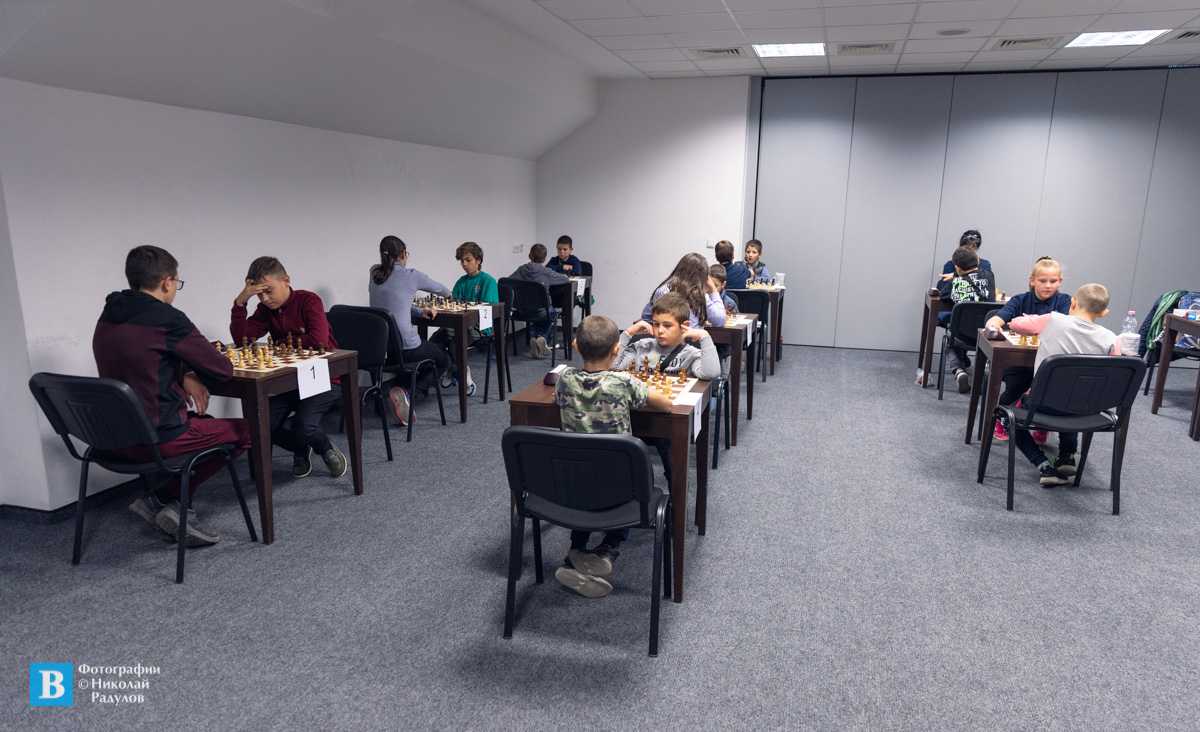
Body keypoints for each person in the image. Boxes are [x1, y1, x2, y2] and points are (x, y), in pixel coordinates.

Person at [94, 245, 251, 546]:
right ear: (166, 282)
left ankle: (167, 503)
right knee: (247, 430)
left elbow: (143, 361)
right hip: (157, 438)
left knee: (209, 421)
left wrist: (184, 373)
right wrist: (191, 371)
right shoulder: (166, 318)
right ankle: (167, 499)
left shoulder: (109, 314)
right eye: (177, 282)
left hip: (112, 438)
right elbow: (222, 370)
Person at [551, 315, 672, 598]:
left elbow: (557, 400)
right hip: (621, 486)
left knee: (584, 490)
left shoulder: (565, 379)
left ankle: (575, 554)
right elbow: (666, 405)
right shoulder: (623, 381)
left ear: (576, 346)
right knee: (637, 479)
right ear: (616, 350)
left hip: (572, 483)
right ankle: (608, 549)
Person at [231, 256, 346, 480]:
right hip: (289, 381)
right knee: (261, 425)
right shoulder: (265, 310)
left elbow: (318, 339)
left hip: (324, 377)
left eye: (269, 291)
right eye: (259, 295)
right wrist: (241, 302)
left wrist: (282, 342)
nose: (265, 299)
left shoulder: (309, 300)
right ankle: (299, 447)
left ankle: (324, 447)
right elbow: (241, 339)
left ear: (285, 280)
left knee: (303, 426)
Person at [1007, 283, 1121, 486]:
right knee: (1074, 399)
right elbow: (1114, 374)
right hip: (1085, 409)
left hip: (1042, 404)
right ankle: (1067, 456)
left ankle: (1042, 464)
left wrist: (1030, 319)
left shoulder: (1053, 320)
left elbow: (1015, 325)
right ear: (1103, 313)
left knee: (1007, 418)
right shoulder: (1112, 339)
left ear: (1073, 303)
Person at [984, 256, 1072, 442]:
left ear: (1060, 281)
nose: (1048, 285)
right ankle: (1001, 418)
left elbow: (1066, 326)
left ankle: (1043, 425)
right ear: (1032, 280)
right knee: (1017, 384)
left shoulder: (1065, 301)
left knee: (1054, 388)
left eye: (1053, 281)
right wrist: (994, 323)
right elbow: (996, 320)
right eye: (1042, 281)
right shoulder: (1020, 300)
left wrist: (1029, 323)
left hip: (1049, 361)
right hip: (1018, 361)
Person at [367, 235, 450, 425]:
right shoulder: (411, 275)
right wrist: (450, 294)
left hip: (378, 351)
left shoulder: (374, 272)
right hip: (404, 349)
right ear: (404, 254)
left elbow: (390, 305)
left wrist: (418, 312)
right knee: (443, 359)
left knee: (421, 354)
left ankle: (393, 391)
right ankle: (406, 392)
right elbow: (442, 290)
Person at [430, 241, 498, 394]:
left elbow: (488, 311)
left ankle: (458, 374)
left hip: (480, 326)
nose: (464, 264)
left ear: (478, 260)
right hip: (459, 323)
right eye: (462, 261)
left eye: (468, 260)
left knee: (455, 343)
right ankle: (456, 370)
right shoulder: (461, 281)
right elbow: (454, 304)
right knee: (433, 342)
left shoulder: (488, 281)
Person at [937, 245, 996, 393]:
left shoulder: (954, 284)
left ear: (957, 268)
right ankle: (981, 376)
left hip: (962, 335)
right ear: (978, 262)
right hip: (986, 335)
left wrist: (955, 278)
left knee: (950, 340)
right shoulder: (989, 276)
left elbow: (943, 295)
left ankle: (958, 370)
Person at [508, 243, 568, 359]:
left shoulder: (521, 269)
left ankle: (537, 338)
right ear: (544, 259)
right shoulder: (547, 272)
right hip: (541, 311)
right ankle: (542, 336)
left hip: (522, 311)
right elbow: (564, 279)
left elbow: (508, 281)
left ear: (529, 256)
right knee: (551, 311)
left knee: (537, 310)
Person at [640, 252, 726, 329]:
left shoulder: (662, 291)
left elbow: (646, 317)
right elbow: (720, 321)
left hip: (665, 340)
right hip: (691, 340)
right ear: (703, 277)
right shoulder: (700, 296)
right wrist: (713, 289)